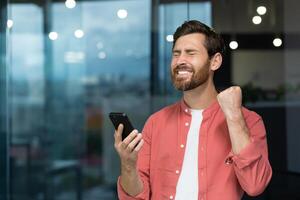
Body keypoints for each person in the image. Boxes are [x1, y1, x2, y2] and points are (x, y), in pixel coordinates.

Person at [114, 20, 272, 200]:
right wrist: (128, 165)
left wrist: (234, 117)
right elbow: (136, 197)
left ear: (215, 62)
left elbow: (255, 185)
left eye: (190, 53)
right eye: (176, 54)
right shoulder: (155, 122)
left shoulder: (248, 120)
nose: (180, 60)